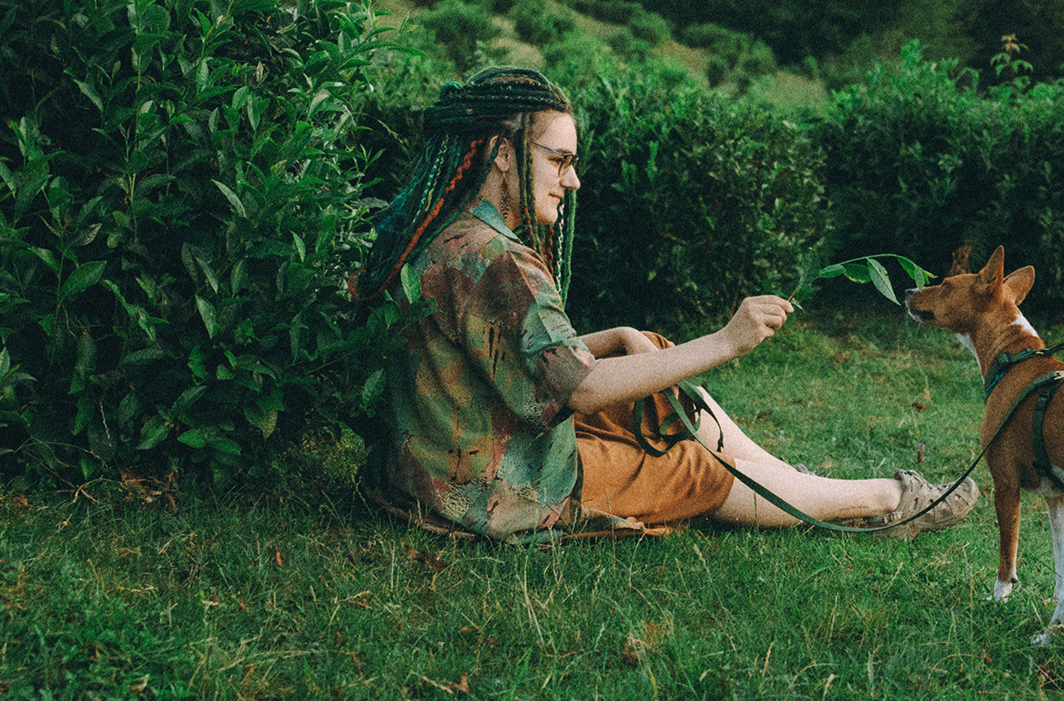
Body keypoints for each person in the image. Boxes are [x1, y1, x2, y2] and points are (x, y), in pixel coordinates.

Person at [359, 67, 978, 542]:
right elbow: (579, 391)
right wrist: (727, 340)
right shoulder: (497, 257)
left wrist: (619, 333)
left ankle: (800, 484)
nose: (573, 180)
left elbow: (495, 357)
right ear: (501, 154)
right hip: (490, 485)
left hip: (438, 459)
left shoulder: (440, 231)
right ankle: (890, 501)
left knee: (648, 352)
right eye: (560, 160)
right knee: (696, 471)